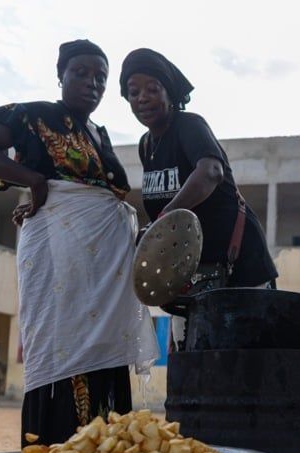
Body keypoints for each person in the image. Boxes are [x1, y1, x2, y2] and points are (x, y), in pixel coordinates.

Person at [0, 39, 159, 447]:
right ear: (61, 76)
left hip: (105, 273)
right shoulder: (36, 115)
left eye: (100, 78)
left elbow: (103, 194)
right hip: (62, 262)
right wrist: (31, 181)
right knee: (64, 353)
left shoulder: (100, 135)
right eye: (81, 73)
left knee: (105, 361)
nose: (92, 83)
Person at [119, 48, 278, 347]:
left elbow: (211, 172)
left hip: (238, 267)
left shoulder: (188, 125)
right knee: (193, 360)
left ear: (169, 92)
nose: (142, 98)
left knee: (242, 362)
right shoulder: (146, 145)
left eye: (153, 89)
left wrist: (163, 218)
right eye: (133, 92)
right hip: (193, 276)